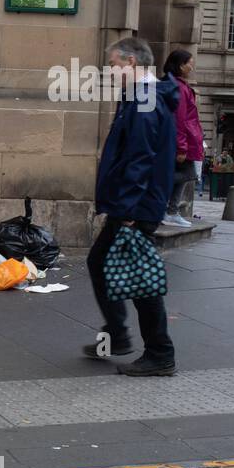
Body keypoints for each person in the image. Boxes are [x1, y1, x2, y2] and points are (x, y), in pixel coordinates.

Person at [84, 37, 179, 376]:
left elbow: (140, 158)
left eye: (114, 65)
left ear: (132, 63)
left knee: (138, 280)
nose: (110, 71)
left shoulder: (144, 100)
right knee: (105, 264)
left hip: (136, 208)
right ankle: (119, 333)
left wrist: (125, 212)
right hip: (136, 205)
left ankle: (158, 352)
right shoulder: (139, 98)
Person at [162, 50, 202, 228]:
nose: (191, 67)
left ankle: (169, 210)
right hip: (181, 142)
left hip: (184, 140)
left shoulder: (177, 85)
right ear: (180, 65)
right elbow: (180, 119)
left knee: (182, 175)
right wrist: (182, 147)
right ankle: (170, 211)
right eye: (189, 63)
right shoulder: (178, 87)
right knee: (183, 175)